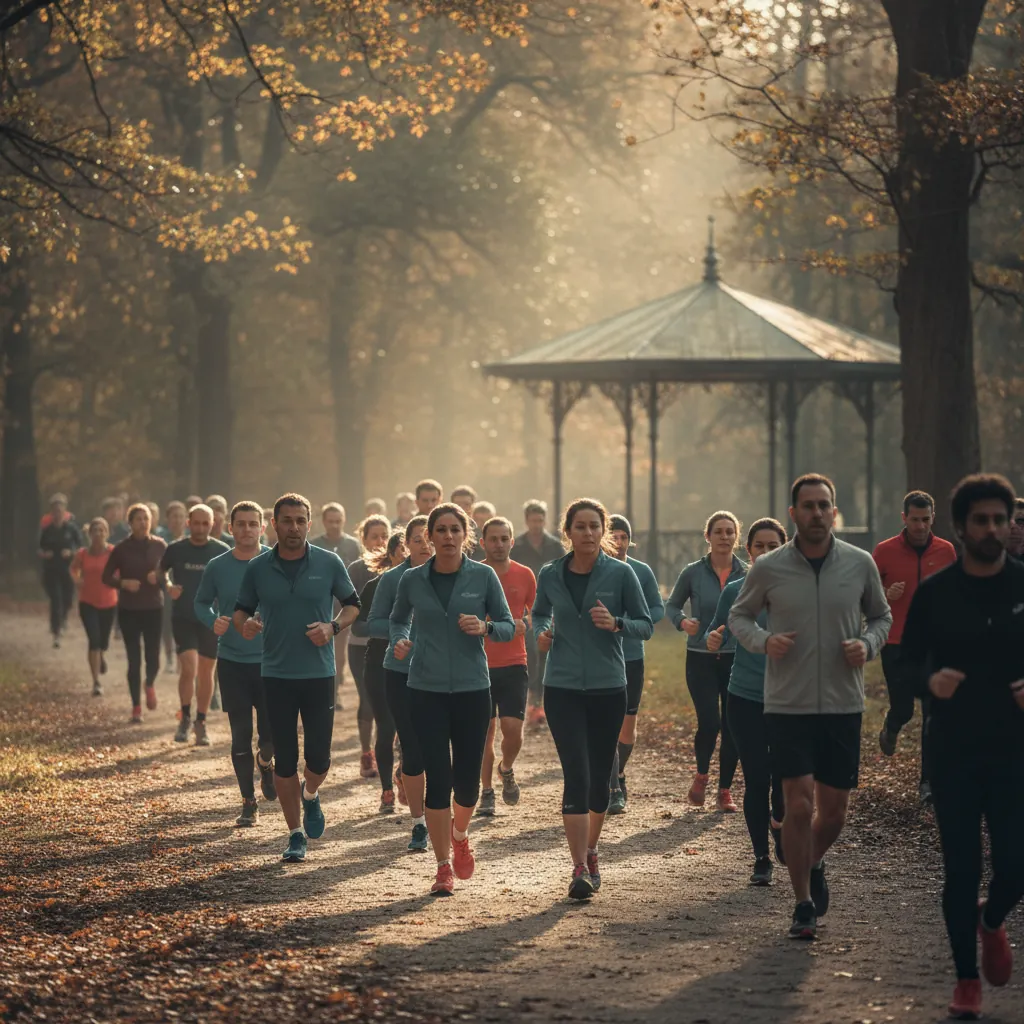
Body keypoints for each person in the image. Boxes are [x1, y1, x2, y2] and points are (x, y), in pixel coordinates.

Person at [729, 474, 891, 940]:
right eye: (808, 505)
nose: (817, 513)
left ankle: (811, 860)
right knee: (798, 806)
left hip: (842, 703)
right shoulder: (770, 567)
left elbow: (881, 616)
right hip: (787, 704)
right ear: (793, 513)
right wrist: (763, 640)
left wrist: (868, 642)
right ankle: (802, 903)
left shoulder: (860, 564)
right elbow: (739, 615)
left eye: (824, 505)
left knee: (834, 813)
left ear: (833, 511)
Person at [900, 473, 1024, 1021]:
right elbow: (904, 666)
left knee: (1017, 865)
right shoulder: (936, 595)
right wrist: (930, 683)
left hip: (1014, 750)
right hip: (953, 749)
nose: (994, 528)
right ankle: (966, 981)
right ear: (962, 527)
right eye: (982, 520)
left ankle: (992, 920)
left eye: (1002, 519)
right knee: (962, 870)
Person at [389, 503, 515, 896]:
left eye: (454, 530)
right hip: (424, 689)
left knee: (467, 785)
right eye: (439, 530)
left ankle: (461, 834)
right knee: (437, 781)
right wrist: (399, 641)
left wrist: (486, 626)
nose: (447, 537)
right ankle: (442, 865)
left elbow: (509, 626)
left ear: (465, 535)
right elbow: (396, 619)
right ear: (429, 536)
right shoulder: (412, 579)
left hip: (472, 690)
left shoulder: (483, 577)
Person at [533, 498, 653, 900]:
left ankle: (593, 849)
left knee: (601, 780)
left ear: (604, 532)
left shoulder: (620, 574)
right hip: (562, 687)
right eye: (580, 526)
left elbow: (646, 625)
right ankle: (579, 867)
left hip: (607, 687)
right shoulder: (550, 573)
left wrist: (617, 623)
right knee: (577, 776)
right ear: (568, 531)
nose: (587, 533)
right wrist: (543, 632)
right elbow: (537, 615)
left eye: (594, 527)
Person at [233, 493, 360, 863]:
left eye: (300, 521)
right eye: (286, 521)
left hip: (319, 674)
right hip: (275, 674)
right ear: (274, 524)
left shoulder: (329, 562)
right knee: (285, 761)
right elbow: (240, 612)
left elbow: (354, 605)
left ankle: (310, 795)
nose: (293, 528)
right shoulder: (258, 568)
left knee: (320, 759)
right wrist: (247, 626)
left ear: (309, 523)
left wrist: (332, 626)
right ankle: (294, 833)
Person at [705, 518, 788, 885]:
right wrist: (713, 638)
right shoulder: (736, 589)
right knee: (757, 779)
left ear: (785, 548)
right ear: (749, 550)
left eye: (774, 546)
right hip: (745, 697)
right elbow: (720, 632)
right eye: (760, 546)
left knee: (785, 781)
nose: (767, 553)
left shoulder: (800, 590)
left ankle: (781, 824)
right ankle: (761, 859)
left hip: (791, 699)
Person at [872, 491, 957, 803]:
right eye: (915, 519)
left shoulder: (946, 551)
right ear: (903, 517)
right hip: (896, 643)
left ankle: (928, 783)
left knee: (933, 713)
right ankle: (892, 726)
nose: (920, 526)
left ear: (932, 518)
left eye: (926, 519)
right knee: (905, 708)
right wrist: (885, 594)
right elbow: (863, 595)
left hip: (935, 645)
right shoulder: (884, 551)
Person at [195, 501, 275, 827]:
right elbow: (200, 602)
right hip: (232, 660)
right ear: (230, 529)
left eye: (252, 524)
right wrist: (212, 620)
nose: (246, 530)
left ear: (262, 528)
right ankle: (248, 801)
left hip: (272, 662)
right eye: (240, 524)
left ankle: (266, 764)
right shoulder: (217, 565)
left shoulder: (276, 561)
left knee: (271, 738)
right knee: (240, 734)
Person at [667, 511, 748, 811]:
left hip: (736, 658)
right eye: (719, 532)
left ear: (736, 537)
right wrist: (682, 622)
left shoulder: (748, 573)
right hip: (700, 657)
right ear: (708, 536)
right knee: (709, 722)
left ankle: (724, 790)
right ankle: (702, 774)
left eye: (730, 532)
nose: (725, 537)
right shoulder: (693, 571)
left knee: (732, 726)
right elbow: (672, 605)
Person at [367, 516, 432, 852]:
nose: (424, 545)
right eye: (417, 540)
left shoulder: (450, 576)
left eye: (428, 539)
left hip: (442, 673)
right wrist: (399, 635)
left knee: (435, 745)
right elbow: (374, 622)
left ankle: (434, 809)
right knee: (412, 746)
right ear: (406, 543)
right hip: (400, 670)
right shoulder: (393, 579)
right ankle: (420, 824)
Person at [476, 516, 537, 818]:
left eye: (504, 539)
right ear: (482, 542)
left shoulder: (525, 574)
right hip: (478, 664)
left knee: (513, 731)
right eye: (493, 539)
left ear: (512, 541)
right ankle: (486, 792)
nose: (499, 544)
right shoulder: (473, 575)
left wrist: (527, 624)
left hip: (514, 662)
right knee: (484, 733)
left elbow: (537, 614)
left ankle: (506, 768)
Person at [606, 515, 665, 815]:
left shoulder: (641, 571)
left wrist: (631, 624)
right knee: (608, 723)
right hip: (602, 657)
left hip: (631, 655)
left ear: (630, 540)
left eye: (622, 537)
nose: (617, 542)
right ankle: (614, 784)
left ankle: (618, 772)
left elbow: (657, 608)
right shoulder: (595, 571)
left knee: (627, 729)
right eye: (612, 536)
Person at [160, 504, 230, 745]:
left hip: (211, 619)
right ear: (188, 523)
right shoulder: (176, 549)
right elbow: (161, 572)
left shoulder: (221, 550)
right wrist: (169, 586)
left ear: (212, 524)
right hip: (183, 617)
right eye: (196, 523)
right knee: (189, 668)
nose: (200, 528)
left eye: (205, 523)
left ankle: (201, 722)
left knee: (206, 671)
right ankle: (185, 718)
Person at [352, 528, 407, 813]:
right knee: (387, 727)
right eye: (406, 547)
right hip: (379, 663)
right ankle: (387, 788)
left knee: (413, 730)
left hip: (417, 664)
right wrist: (394, 630)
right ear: (394, 553)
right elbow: (358, 625)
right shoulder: (377, 585)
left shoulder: (435, 584)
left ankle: (404, 774)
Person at [102, 503, 167, 722]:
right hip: (129, 609)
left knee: (154, 658)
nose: (143, 523)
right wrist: (123, 583)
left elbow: (168, 575)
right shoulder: (121, 549)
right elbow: (106, 577)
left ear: (151, 522)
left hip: (154, 609)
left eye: (146, 519)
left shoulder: (160, 546)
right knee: (134, 660)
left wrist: (158, 577)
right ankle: (136, 707)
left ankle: (149, 683)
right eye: (138, 519)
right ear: (130, 523)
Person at [345, 514, 392, 781]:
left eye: (384, 535)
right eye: (374, 536)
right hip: (361, 644)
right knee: (367, 698)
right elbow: (350, 606)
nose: (380, 541)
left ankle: (388, 746)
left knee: (392, 698)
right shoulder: (356, 569)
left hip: (392, 643)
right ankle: (366, 752)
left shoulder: (398, 566)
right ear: (363, 540)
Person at [514, 499, 566, 728]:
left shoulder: (555, 546)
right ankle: (531, 701)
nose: (537, 524)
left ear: (545, 520)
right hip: (524, 608)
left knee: (544, 652)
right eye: (533, 520)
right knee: (529, 654)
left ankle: (541, 703)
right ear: (526, 520)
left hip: (550, 605)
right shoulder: (517, 546)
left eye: (540, 520)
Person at [312, 502, 361, 693]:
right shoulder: (315, 544)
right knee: (319, 648)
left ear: (344, 520)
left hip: (343, 606)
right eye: (331, 521)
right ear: (323, 522)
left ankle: (334, 690)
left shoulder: (353, 544)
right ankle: (319, 687)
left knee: (339, 652)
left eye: (338, 521)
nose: (334, 525)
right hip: (320, 605)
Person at [70, 518, 118, 695]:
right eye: (95, 531)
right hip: (87, 602)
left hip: (109, 602)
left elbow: (120, 570)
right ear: (89, 534)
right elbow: (73, 569)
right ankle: (96, 682)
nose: (98, 534)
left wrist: (119, 580)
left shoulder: (113, 552)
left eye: (102, 530)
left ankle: (100, 655)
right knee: (94, 640)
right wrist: (77, 579)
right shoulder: (82, 554)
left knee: (103, 642)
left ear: (107, 533)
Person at [38, 493, 82, 648]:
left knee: (68, 599)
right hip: (51, 570)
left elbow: (81, 547)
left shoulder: (71, 528)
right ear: (51, 512)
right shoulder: (47, 530)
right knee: (56, 599)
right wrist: (44, 553)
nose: (57, 513)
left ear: (65, 510)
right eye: (55, 510)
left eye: (60, 509)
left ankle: (63, 619)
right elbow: (39, 547)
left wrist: (71, 553)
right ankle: (56, 630)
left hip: (68, 569)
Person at [160, 501, 188, 673]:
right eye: (174, 516)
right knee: (167, 624)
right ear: (168, 519)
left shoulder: (192, 539)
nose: (177, 520)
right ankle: (169, 657)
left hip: (188, 588)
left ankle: (182, 657)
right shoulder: (161, 539)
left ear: (186, 519)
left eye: (180, 516)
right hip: (166, 588)